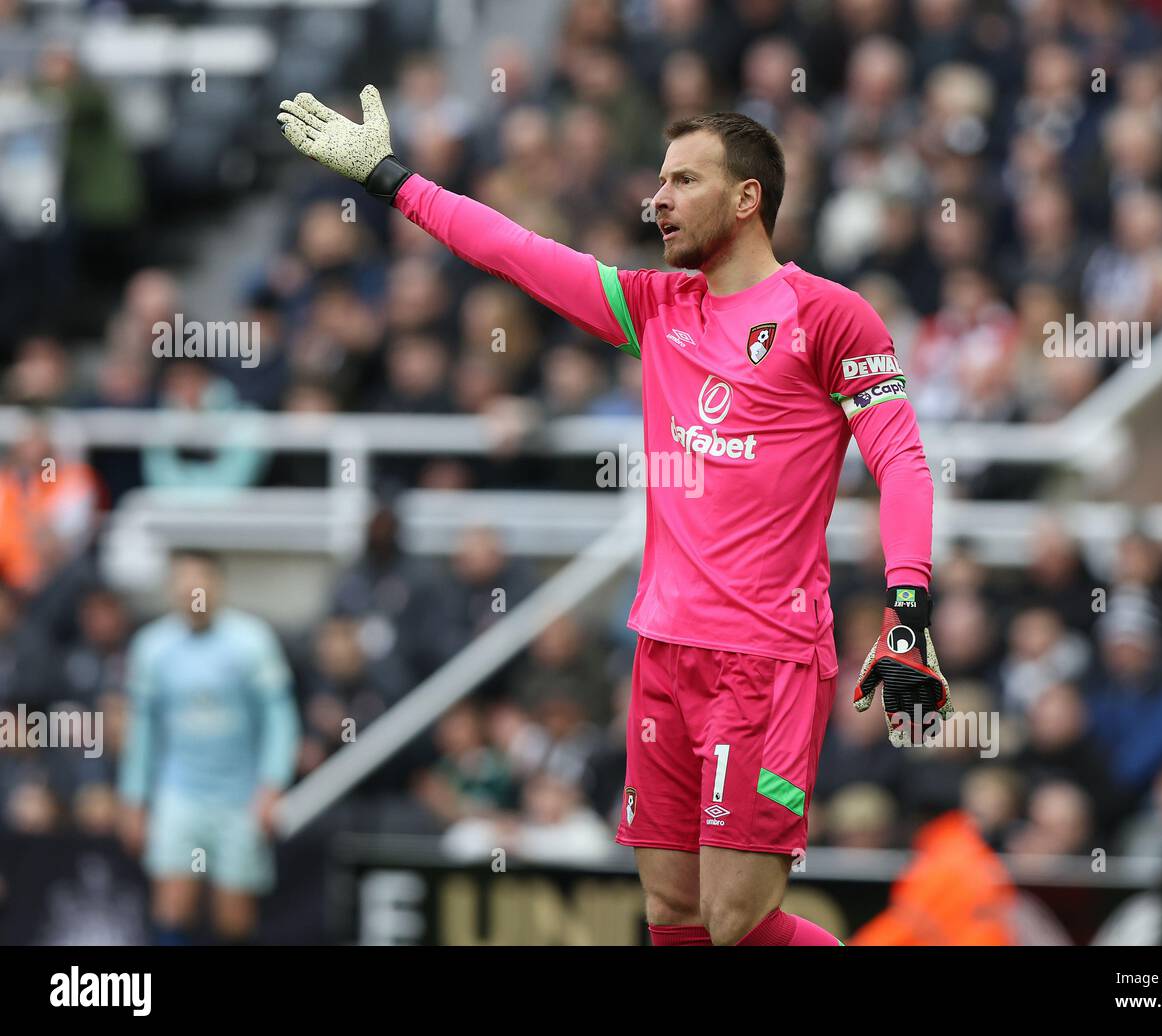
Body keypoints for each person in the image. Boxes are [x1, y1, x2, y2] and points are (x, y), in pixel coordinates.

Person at [277, 86, 946, 946]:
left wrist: (907, 608)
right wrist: (388, 177)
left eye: (684, 181)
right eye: (658, 181)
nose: (658, 199)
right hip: (664, 651)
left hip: (766, 660)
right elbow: (515, 251)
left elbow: (903, 462)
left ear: (748, 199)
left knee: (737, 921)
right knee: (671, 913)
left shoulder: (828, 317)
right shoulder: (656, 307)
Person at [116, 550, 300, 944]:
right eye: (183, 581)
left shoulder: (251, 640)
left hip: (239, 798)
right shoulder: (152, 647)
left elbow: (280, 719)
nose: (191, 590)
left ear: (218, 585)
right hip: (178, 793)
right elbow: (143, 728)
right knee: (172, 906)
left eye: (200, 580)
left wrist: (272, 785)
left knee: (234, 919)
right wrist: (133, 798)